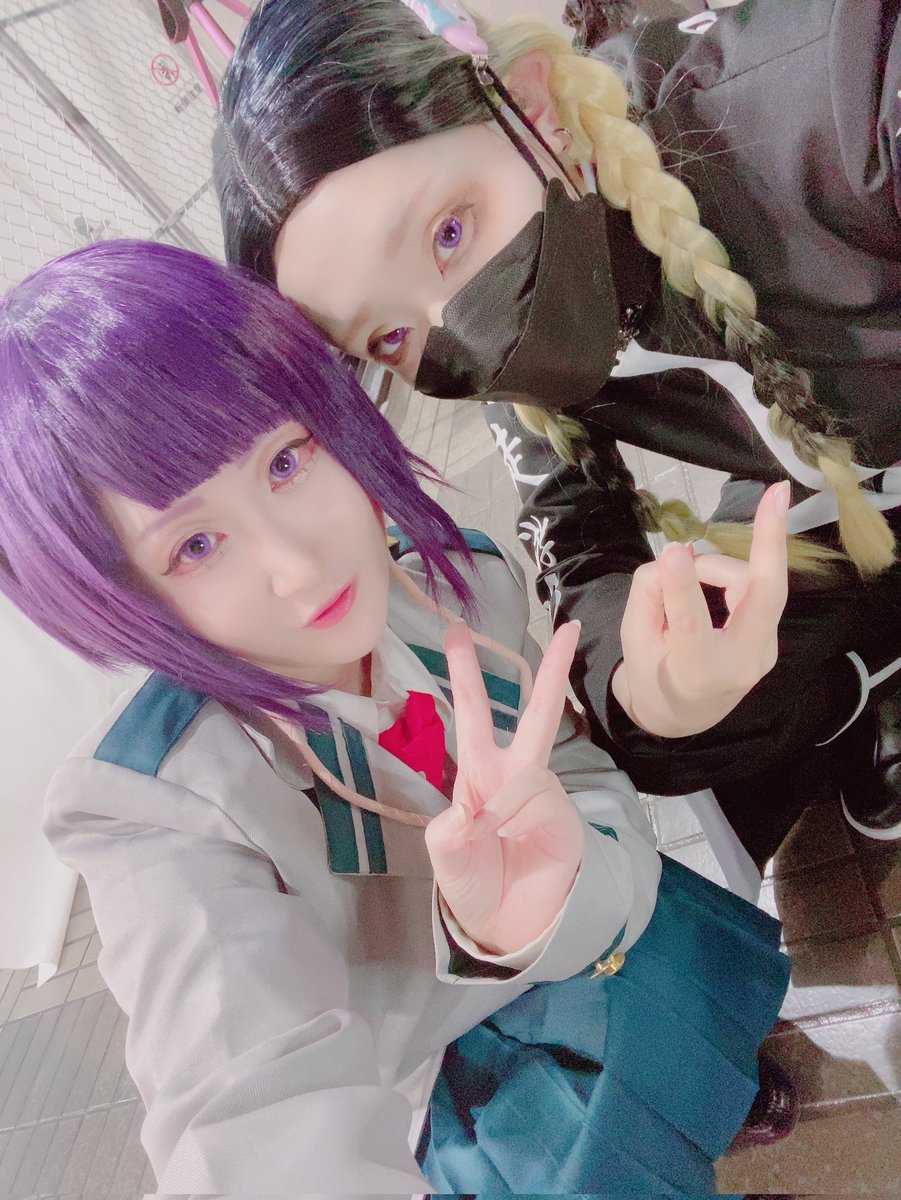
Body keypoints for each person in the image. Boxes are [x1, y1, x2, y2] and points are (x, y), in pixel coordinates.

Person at [0, 240, 793, 1195]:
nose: (297, 564)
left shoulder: (460, 583)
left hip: (599, 943)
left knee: (697, 1033)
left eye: (285, 460)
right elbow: (245, 1117)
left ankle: (711, 1083)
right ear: (118, 599)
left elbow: (584, 787)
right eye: (195, 545)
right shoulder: (158, 806)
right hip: (450, 1082)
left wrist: (550, 908)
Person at [213, 0, 901, 866]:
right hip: (834, 493)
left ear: (530, 104)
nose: (457, 326)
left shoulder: (836, 103)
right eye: (387, 337)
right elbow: (579, 553)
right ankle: (867, 684)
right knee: (659, 723)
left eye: (450, 232)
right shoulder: (515, 358)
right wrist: (657, 692)